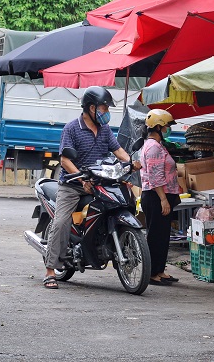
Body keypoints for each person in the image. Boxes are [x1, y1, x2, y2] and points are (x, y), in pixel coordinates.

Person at [43, 86, 139, 289]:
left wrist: (131, 162)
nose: (106, 113)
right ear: (91, 107)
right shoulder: (72, 128)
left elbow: (118, 150)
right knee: (61, 222)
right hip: (73, 184)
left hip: (99, 181)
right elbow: (66, 160)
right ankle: (50, 270)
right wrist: (81, 180)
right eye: (104, 108)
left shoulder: (104, 130)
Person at [139, 109, 181, 286]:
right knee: (155, 235)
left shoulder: (157, 145)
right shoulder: (153, 147)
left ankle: (160, 270)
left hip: (161, 195)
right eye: (166, 126)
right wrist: (163, 199)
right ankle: (151, 273)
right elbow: (155, 176)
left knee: (163, 236)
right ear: (157, 127)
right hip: (156, 197)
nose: (168, 129)